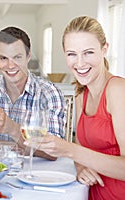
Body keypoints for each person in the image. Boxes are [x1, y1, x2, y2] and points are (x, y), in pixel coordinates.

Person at [36, 16, 125, 199]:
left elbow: (75, 150)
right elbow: (81, 148)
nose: (80, 63)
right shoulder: (80, 94)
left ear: (104, 49)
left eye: (88, 52)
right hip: (91, 195)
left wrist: (68, 150)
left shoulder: (118, 90)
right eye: (72, 54)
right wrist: (81, 167)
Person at [0, 26, 65, 160]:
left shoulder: (49, 93)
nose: (10, 66)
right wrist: (10, 146)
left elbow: (53, 152)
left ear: (28, 56)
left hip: (35, 172)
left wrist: (11, 128)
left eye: (17, 57)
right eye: (4, 58)